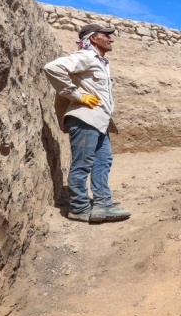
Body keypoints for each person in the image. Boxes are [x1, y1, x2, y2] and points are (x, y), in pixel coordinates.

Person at [44, 23, 131, 223]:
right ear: (93, 38)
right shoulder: (85, 57)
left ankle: (102, 203)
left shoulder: (101, 63)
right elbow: (52, 68)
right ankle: (79, 208)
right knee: (83, 164)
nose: (111, 39)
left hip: (100, 120)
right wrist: (76, 95)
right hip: (84, 118)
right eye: (106, 35)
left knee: (103, 161)